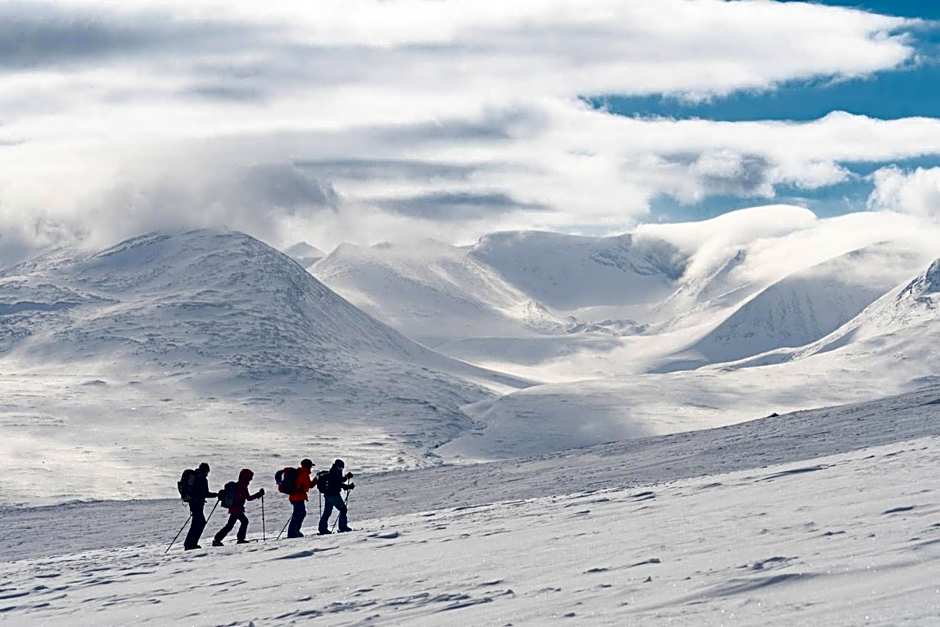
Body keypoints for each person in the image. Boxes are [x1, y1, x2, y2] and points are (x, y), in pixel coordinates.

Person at [212, 469, 264, 546]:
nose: (250, 480)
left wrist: (258, 494)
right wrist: (259, 494)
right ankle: (238, 539)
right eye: (250, 478)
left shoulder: (240, 485)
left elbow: (247, 498)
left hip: (235, 508)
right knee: (243, 522)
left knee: (231, 525)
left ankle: (218, 539)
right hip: (237, 509)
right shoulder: (242, 486)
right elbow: (248, 498)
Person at [183, 462, 218, 550]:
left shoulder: (196, 477)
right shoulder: (201, 479)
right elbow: (205, 493)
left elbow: (203, 493)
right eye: (207, 472)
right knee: (199, 523)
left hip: (194, 503)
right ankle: (190, 544)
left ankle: (190, 544)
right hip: (197, 504)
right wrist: (217, 495)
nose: (207, 474)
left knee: (197, 523)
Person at [318, 459, 355, 534]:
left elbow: (339, 480)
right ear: (338, 466)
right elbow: (337, 483)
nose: (342, 469)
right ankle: (342, 527)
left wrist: (346, 477)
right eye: (341, 467)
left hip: (328, 495)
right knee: (343, 509)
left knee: (327, 512)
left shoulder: (335, 471)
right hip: (333, 495)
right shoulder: (335, 472)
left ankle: (322, 529)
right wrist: (348, 486)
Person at [287, 458, 316, 538]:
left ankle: (294, 532)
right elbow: (308, 486)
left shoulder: (300, 472)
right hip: (298, 497)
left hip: (295, 496)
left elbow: (308, 486)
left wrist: (315, 480)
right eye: (310, 466)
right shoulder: (304, 474)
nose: (311, 468)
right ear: (308, 466)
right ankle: (293, 533)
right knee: (299, 514)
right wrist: (316, 479)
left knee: (299, 514)